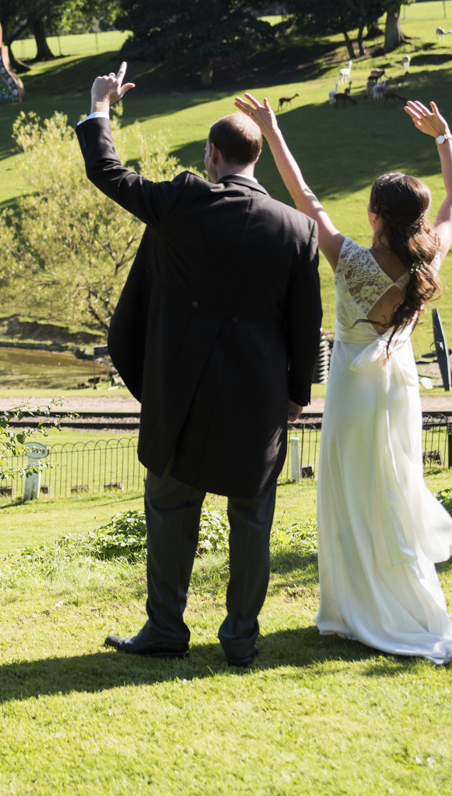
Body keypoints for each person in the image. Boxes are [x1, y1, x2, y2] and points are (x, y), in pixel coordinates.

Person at [234, 92, 452, 667]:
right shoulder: (428, 261)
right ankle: (390, 604)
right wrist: (443, 137)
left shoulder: (350, 261)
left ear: (374, 215)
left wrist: (271, 130)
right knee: (393, 491)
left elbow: (305, 197)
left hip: (353, 392)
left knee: (350, 495)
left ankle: (352, 612)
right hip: (398, 389)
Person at [80, 63, 322, 668]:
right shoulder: (298, 230)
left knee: (169, 508)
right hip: (259, 395)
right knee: (252, 519)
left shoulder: (184, 201)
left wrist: (100, 106)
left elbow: (108, 172)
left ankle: (165, 629)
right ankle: (240, 639)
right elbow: (305, 324)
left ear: (212, 154)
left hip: (179, 390)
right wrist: (298, 393)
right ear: (256, 160)